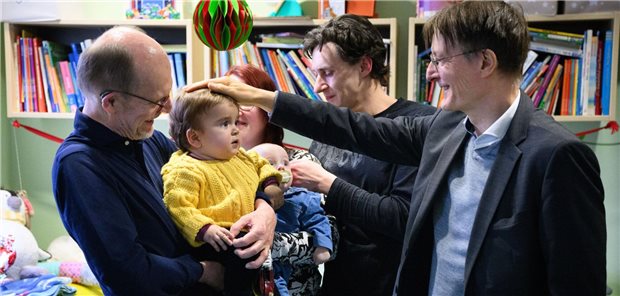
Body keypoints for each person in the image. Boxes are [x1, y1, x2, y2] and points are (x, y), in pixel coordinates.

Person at [192, 1, 607, 294]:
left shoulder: (557, 155)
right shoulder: (445, 128)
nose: (431, 71)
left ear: (485, 62)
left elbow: (576, 281)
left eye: (441, 59)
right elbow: (354, 129)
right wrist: (263, 98)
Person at [51, 26, 276, 295]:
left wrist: (264, 207)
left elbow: (220, 171)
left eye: (169, 95)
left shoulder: (147, 138)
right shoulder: (80, 166)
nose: (168, 108)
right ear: (111, 103)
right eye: (157, 100)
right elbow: (127, 272)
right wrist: (203, 271)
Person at [162, 89, 283, 296]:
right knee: (242, 261)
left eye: (235, 122)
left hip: (245, 233)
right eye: (225, 124)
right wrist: (205, 228)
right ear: (195, 138)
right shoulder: (185, 169)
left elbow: (262, 164)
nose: (235, 130)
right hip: (214, 240)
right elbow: (178, 206)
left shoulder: (241, 156)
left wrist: (271, 183)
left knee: (259, 262)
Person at [226, 64, 335, 295]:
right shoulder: (214, 168)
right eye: (228, 100)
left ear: (268, 109)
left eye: (244, 99)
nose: (236, 111)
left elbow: (330, 237)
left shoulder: (298, 164)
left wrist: (267, 243)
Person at [251, 143, 333, 296]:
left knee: (278, 285)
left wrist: (323, 245)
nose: (281, 168)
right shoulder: (247, 197)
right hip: (249, 266)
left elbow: (318, 220)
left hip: (282, 264)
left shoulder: (302, 197)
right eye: (270, 163)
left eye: (285, 162)